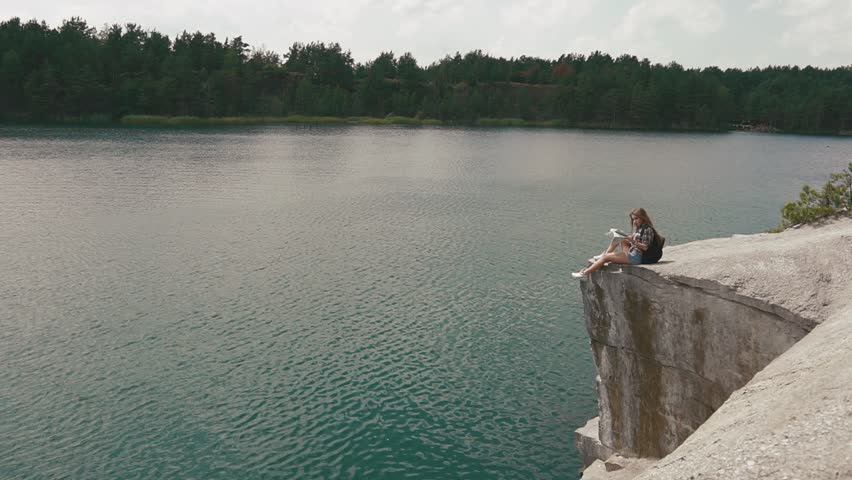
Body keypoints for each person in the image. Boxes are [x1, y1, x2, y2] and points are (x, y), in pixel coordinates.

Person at [572, 208, 658, 278]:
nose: (634, 221)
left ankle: (584, 273)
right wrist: (625, 236)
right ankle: (606, 253)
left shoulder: (647, 229)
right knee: (619, 238)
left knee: (606, 257)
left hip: (636, 257)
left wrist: (633, 241)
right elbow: (638, 239)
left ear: (643, 217)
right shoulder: (640, 227)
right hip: (633, 252)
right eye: (633, 219)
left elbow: (645, 247)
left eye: (636, 219)